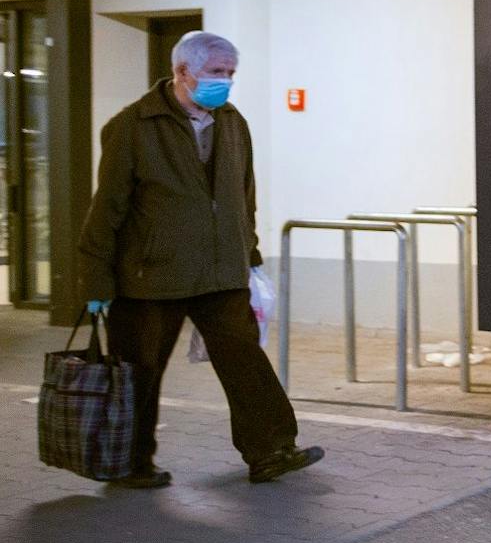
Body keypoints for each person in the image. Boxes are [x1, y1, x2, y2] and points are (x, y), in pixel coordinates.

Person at [78, 31, 323, 488]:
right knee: (140, 375)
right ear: (183, 72)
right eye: (216, 73)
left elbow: (243, 196)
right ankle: (131, 464)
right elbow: (106, 208)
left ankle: (271, 450)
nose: (225, 83)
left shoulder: (232, 121)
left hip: (221, 271)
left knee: (245, 362)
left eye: (230, 74)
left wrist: (247, 256)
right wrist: (95, 281)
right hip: (151, 276)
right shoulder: (133, 125)